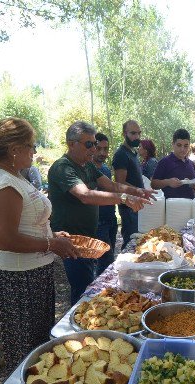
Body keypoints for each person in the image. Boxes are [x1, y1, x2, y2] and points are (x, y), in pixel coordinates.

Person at [0, 117, 79, 370]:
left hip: (32, 273)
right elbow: (5, 238)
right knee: (25, 354)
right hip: (17, 279)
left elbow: (26, 224)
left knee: (39, 349)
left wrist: (51, 234)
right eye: (31, 146)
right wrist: (51, 244)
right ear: (14, 150)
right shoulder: (2, 183)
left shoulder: (13, 177)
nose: (34, 151)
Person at [49, 121, 153, 306]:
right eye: (88, 144)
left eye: (94, 144)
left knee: (90, 283)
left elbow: (111, 185)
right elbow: (85, 196)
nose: (93, 149)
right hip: (71, 240)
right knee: (82, 289)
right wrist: (124, 199)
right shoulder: (63, 167)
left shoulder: (86, 166)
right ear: (71, 144)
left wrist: (137, 191)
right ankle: (77, 328)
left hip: (89, 236)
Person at [113, 120, 146, 248]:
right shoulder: (121, 154)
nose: (136, 137)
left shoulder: (133, 153)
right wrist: (139, 190)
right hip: (128, 206)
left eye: (138, 133)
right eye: (133, 133)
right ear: (124, 134)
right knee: (130, 243)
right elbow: (120, 183)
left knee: (138, 241)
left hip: (137, 203)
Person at [92, 132, 117, 277]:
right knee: (105, 261)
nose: (102, 153)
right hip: (98, 223)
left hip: (111, 219)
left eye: (105, 149)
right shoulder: (87, 169)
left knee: (109, 258)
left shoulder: (106, 169)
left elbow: (114, 189)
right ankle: (100, 295)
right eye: (99, 148)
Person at [151, 129, 195, 199]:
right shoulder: (164, 162)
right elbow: (153, 184)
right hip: (171, 207)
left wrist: (193, 184)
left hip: (190, 206)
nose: (182, 149)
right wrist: (168, 182)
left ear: (189, 146)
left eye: (186, 146)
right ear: (173, 144)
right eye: (179, 145)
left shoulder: (191, 164)